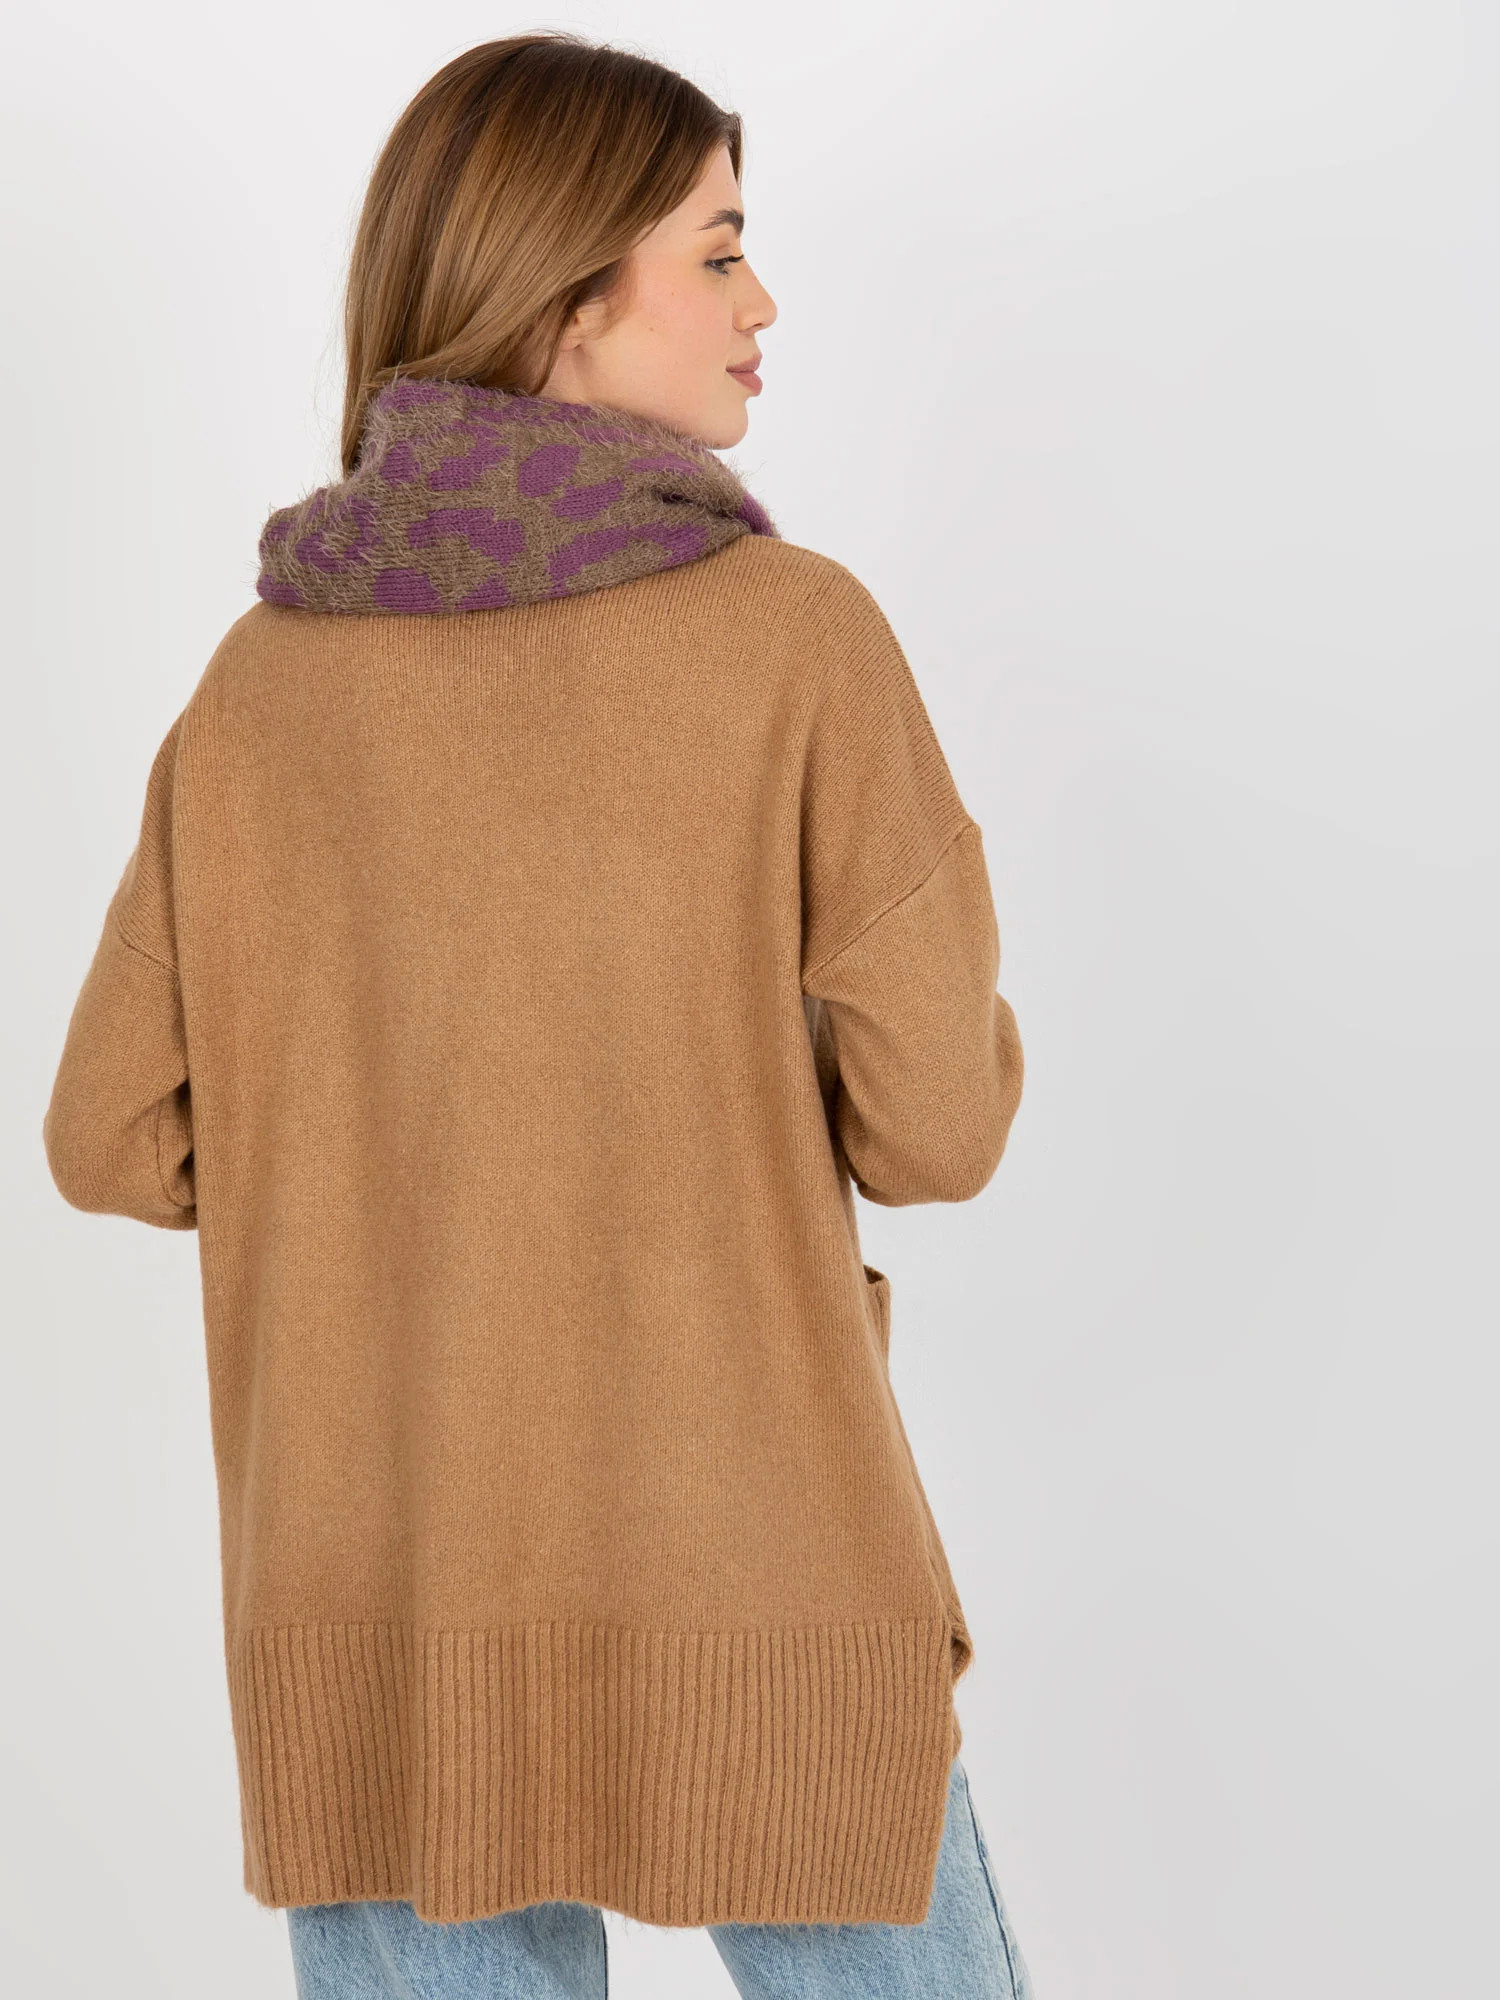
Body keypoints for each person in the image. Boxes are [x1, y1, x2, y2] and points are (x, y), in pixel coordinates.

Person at [41, 31, 1032, 2000]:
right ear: (568, 297)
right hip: (763, 1565)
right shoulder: (796, 641)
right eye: (720, 251)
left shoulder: (259, 691)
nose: (764, 301)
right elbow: (941, 1129)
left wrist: (381, 1143)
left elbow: (109, 1137)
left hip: (383, 1594)